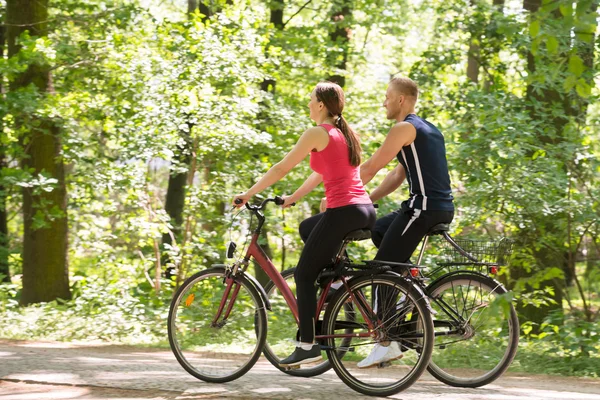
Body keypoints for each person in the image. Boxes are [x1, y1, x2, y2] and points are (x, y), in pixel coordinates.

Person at [233, 81, 376, 367]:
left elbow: (281, 167)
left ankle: (308, 344)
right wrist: (293, 198)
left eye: (311, 100)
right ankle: (334, 281)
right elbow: (322, 174)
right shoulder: (343, 133)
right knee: (307, 228)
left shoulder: (317, 133)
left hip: (344, 211)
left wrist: (248, 194)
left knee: (302, 275)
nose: (308, 104)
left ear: (321, 104)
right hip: (363, 209)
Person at [318, 76, 454, 368]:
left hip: (423, 209)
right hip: (437, 208)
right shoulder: (427, 128)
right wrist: (367, 200)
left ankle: (386, 341)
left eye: (387, 97)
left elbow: (370, 166)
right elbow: (396, 175)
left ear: (401, 100)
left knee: (381, 269)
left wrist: (338, 197)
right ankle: (407, 295)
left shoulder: (403, 128)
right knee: (379, 229)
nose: (384, 102)